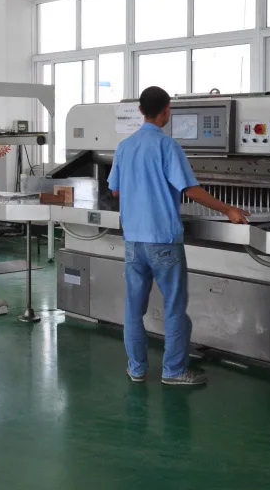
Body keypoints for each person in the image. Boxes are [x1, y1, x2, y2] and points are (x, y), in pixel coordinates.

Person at [107, 86, 249, 386]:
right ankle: (173, 371)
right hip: (163, 242)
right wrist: (228, 209)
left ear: (140, 110)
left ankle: (136, 369)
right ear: (167, 110)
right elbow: (191, 190)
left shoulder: (124, 146)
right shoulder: (167, 145)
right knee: (173, 307)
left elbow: (116, 191)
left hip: (133, 241)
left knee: (133, 310)